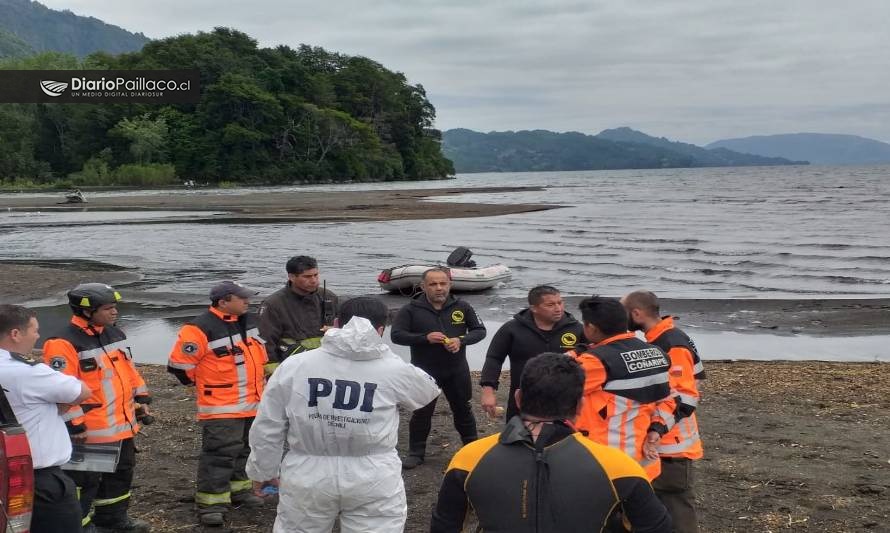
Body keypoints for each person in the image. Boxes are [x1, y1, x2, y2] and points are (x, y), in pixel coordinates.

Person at [246, 297, 440, 532]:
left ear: (336, 323)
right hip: (372, 474)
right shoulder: (392, 368)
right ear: (381, 330)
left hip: (307, 473)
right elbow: (427, 391)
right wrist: (384, 356)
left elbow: (268, 425)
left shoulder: (295, 365)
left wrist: (263, 471)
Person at [431, 352, 672, 533]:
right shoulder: (617, 466)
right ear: (580, 405)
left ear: (518, 398)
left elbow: (444, 526)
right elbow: (656, 528)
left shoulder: (469, 458)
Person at [42, 284, 151, 533]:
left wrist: (142, 398)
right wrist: (74, 423)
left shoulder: (114, 335)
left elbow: (129, 372)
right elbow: (59, 389)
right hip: (92, 429)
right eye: (108, 308)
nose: (114, 312)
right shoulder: (62, 342)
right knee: (85, 482)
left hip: (122, 425)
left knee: (120, 475)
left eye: (115, 307)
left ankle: (112, 520)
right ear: (87, 312)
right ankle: (78, 526)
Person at [167, 281, 268, 527]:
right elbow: (179, 367)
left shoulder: (249, 321)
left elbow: (260, 359)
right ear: (223, 301)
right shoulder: (200, 328)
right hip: (222, 406)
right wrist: (208, 386)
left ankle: (239, 490)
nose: (247, 302)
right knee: (219, 454)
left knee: (245, 449)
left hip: (252, 402)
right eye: (242, 298)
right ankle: (211, 503)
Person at [0, 305, 93, 533]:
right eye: (34, 330)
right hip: (37, 482)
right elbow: (82, 391)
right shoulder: (26, 371)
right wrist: (51, 403)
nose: (37, 336)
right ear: (15, 334)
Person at [623, 290, 705, 533]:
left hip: (673, 446)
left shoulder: (671, 343)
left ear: (636, 314)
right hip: (661, 442)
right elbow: (698, 376)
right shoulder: (662, 339)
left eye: (623, 311)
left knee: (676, 511)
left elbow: (687, 395)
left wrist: (658, 427)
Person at [571, 296, 676, 481]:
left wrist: (574, 353)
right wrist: (657, 428)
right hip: (641, 460)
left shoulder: (596, 361)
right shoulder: (657, 354)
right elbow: (671, 399)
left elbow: (549, 385)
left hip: (605, 463)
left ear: (590, 328)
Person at [390, 267, 486, 469]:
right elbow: (396, 335)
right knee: (422, 411)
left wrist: (461, 340)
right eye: (433, 284)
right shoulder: (410, 309)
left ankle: (473, 447)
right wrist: (424, 338)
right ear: (423, 286)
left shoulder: (463, 306)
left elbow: (480, 330)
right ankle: (416, 452)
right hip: (424, 371)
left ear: (449, 285)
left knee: (463, 409)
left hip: (456, 369)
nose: (439, 288)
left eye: (443, 283)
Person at [480, 285, 585, 420]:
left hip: (564, 399)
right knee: (519, 438)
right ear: (534, 308)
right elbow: (494, 358)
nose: (558, 309)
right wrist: (488, 391)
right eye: (550, 305)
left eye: (560, 302)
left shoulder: (576, 329)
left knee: (562, 439)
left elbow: (595, 353)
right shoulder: (512, 329)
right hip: (523, 398)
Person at [258, 255, 339, 371]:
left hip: (327, 366)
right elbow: (266, 343)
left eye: (316, 275)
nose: (314, 280)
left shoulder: (329, 297)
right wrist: (275, 375)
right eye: (307, 276)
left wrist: (335, 330)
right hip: (291, 368)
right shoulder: (273, 304)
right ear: (291, 277)